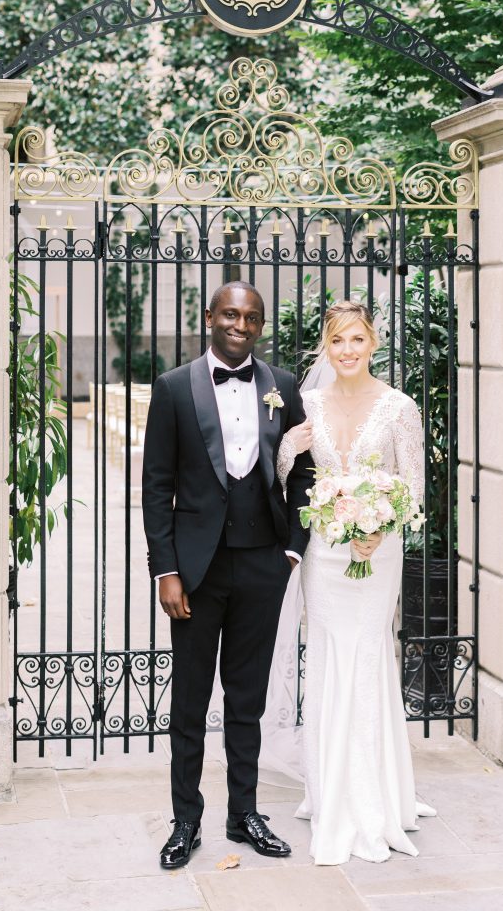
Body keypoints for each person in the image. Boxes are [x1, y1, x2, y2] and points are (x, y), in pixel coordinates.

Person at [142, 281, 314, 869]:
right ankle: (185, 821)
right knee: (190, 702)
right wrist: (166, 569)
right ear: (211, 317)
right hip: (195, 572)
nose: (240, 325)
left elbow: (302, 473)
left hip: (263, 565)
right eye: (231, 314)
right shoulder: (172, 388)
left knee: (248, 700)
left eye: (252, 317)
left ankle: (244, 814)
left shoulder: (283, 386)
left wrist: (292, 550)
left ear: (261, 326)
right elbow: (156, 485)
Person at [276, 299, 434, 866]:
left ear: (373, 344)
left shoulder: (399, 409)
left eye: (357, 340)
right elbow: (282, 479)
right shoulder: (306, 404)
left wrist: (380, 529)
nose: (347, 351)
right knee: (326, 658)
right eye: (337, 341)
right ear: (326, 346)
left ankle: (371, 798)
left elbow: (412, 489)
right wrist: (287, 452)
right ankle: (328, 788)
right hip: (323, 557)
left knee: (366, 655)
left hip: (375, 555)